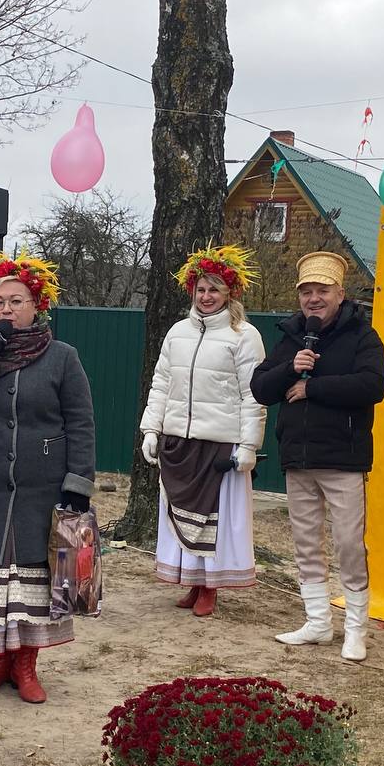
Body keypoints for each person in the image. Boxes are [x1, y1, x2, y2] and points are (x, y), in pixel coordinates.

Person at [0, 252, 95, 704]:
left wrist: (78, 482)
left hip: (42, 489)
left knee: (31, 580)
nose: (6, 310)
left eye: (16, 301)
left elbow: (81, 422)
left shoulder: (63, 357)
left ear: (36, 305)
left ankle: (26, 664)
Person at [251, 251, 384, 662]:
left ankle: (356, 629)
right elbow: (260, 388)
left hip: (343, 458)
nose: (314, 299)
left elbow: (373, 385)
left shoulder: (362, 336)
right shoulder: (292, 336)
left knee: (348, 544)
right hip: (298, 456)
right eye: (307, 292)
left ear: (340, 294)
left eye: (322, 291)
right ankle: (317, 621)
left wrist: (314, 388)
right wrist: (292, 368)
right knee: (306, 544)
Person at [139, 244, 266, 617]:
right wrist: (151, 428)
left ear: (229, 293)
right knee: (182, 512)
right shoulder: (177, 332)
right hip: (180, 439)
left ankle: (212, 586)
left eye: (214, 290)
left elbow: (253, 393)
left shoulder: (245, 335)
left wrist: (248, 445)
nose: (206, 296)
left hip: (221, 443)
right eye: (201, 289)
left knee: (216, 519)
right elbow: (161, 382)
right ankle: (193, 582)